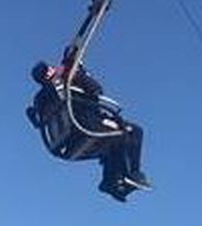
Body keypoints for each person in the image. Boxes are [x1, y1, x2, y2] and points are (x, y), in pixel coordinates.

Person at [28, 61, 151, 201]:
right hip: (86, 125)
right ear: (49, 71)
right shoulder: (68, 79)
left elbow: (37, 121)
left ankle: (111, 182)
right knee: (134, 131)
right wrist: (79, 73)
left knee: (114, 144)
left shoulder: (40, 99)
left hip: (66, 143)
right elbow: (97, 89)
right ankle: (135, 173)